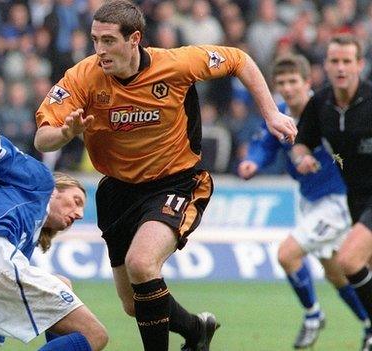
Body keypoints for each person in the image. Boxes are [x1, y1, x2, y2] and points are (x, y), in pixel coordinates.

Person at [33, 1, 297, 350]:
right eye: (95, 39)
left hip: (176, 181)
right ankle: (195, 330)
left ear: (134, 39)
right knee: (135, 304)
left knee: (142, 264)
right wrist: (66, 133)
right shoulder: (83, 76)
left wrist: (270, 115)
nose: (100, 50)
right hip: (117, 191)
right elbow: (43, 138)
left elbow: (239, 59)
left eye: (109, 40)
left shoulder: (175, 64)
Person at [238, 54, 369, 349]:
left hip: (337, 200)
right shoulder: (280, 113)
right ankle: (368, 323)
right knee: (336, 272)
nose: (287, 88)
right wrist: (252, 163)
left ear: (307, 82)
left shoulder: (326, 110)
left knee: (287, 254)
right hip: (310, 201)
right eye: (281, 83)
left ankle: (313, 315)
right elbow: (264, 144)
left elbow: (348, 149)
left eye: (293, 81)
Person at [0, 133, 108, 351]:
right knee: (95, 335)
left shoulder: (21, 238)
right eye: (76, 201)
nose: (79, 213)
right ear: (55, 191)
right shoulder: (42, 181)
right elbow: (3, 155)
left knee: (61, 283)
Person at [293, 34, 372, 350]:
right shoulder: (321, 103)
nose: (340, 68)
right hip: (356, 197)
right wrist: (302, 157)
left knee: (349, 259)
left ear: (360, 65)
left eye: (347, 61)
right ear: (325, 66)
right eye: (335, 61)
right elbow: (301, 142)